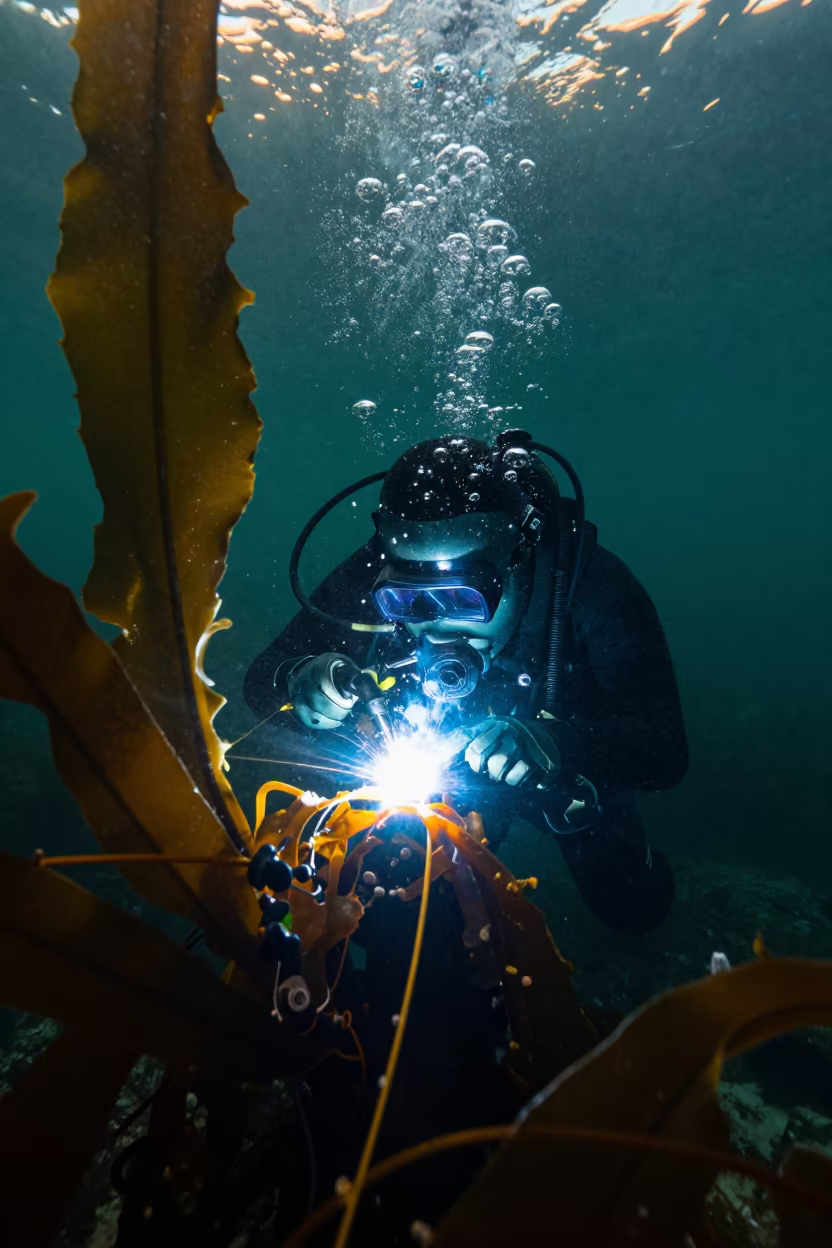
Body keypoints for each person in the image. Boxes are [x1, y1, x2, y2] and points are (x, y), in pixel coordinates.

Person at [244, 428, 688, 936]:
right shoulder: (377, 564)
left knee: (633, 906)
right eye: (408, 601)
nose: (436, 631)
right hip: (451, 773)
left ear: (518, 565)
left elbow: (666, 748)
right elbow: (263, 676)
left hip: (565, 768)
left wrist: (556, 741)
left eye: (465, 599)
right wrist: (299, 679)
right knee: (395, 911)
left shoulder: (592, 588)